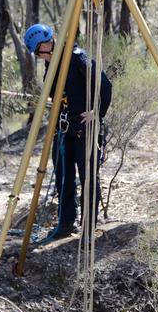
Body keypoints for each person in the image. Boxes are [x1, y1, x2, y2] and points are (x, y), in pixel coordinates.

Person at [24, 24, 112, 238]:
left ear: (46, 44)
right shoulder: (51, 63)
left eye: (39, 52)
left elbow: (105, 85)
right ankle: (65, 225)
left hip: (84, 129)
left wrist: (96, 112)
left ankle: (89, 227)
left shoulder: (77, 57)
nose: (39, 57)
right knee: (64, 177)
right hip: (63, 129)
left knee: (88, 176)